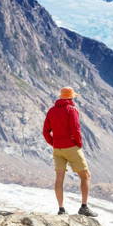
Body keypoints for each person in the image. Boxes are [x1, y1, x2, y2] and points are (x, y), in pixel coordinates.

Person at [43, 87, 98, 217]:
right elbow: (76, 129)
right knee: (85, 176)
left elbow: (45, 132)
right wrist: (78, 144)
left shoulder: (51, 111)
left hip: (57, 149)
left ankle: (61, 209)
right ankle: (84, 207)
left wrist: (54, 143)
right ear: (71, 97)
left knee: (59, 178)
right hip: (71, 148)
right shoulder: (71, 110)